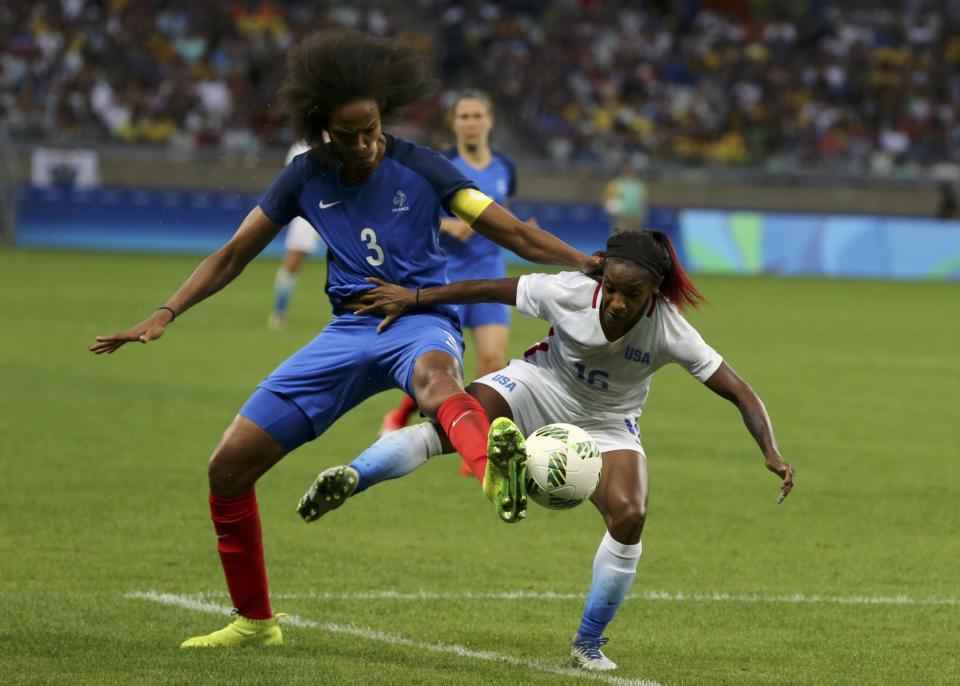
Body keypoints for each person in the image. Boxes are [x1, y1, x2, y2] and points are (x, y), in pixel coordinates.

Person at [89, 30, 600, 649]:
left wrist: (583, 263)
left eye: (373, 130)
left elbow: (511, 231)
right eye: (349, 135)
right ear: (323, 130)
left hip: (417, 320)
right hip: (347, 331)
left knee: (438, 382)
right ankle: (255, 623)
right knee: (227, 469)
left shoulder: (422, 165)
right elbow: (232, 255)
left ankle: (493, 466)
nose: (365, 145)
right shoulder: (304, 177)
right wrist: (165, 313)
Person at [300, 229, 796, 671]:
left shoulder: (669, 328)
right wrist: (414, 298)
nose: (617, 302)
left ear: (654, 293)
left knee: (629, 514)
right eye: (612, 289)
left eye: (632, 294)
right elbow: (487, 289)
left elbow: (739, 390)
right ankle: (353, 476)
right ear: (601, 277)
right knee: (453, 423)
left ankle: (589, 643)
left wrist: (770, 450)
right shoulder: (570, 290)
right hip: (536, 386)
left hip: (608, 422)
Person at [380, 90, 518, 480]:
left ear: (489, 121)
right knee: (443, 369)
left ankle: (473, 445)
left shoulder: (506, 166)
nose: (471, 123)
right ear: (454, 123)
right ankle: (401, 411)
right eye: (464, 116)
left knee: (492, 363)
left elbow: (504, 212)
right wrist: (447, 223)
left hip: (491, 276)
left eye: (478, 116)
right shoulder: (440, 166)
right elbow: (410, 214)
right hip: (449, 280)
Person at [267, 140, 322, 330]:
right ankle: (278, 313)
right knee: (292, 263)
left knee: (357, 262)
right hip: (308, 212)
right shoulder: (303, 145)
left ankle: (362, 315)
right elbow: (289, 181)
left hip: (341, 210)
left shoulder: (346, 139)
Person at [602, 163, 646, 233]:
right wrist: (610, 207)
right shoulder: (617, 183)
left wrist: (642, 213)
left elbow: (642, 200)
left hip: (635, 215)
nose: (631, 173)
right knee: (620, 233)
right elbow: (607, 196)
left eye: (632, 171)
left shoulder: (639, 184)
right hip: (621, 215)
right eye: (628, 171)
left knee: (635, 235)